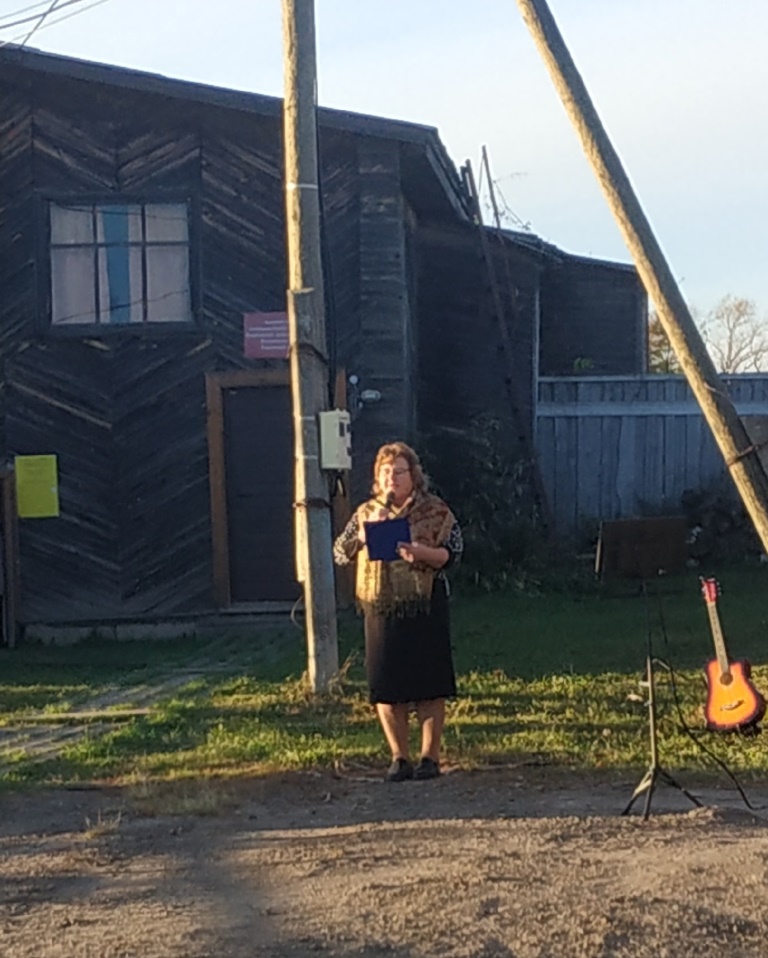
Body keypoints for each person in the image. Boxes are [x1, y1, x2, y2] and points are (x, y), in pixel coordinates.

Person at [333, 441, 463, 782]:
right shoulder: (365, 512)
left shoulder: (435, 510)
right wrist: (362, 538)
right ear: (378, 477)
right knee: (387, 683)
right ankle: (399, 757)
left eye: (399, 472)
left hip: (425, 606)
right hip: (382, 609)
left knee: (430, 682)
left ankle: (430, 758)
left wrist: (421, 553)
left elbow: (453, 553)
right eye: (385, 472)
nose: (392, 478)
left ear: (413, 475)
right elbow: (340, 553)